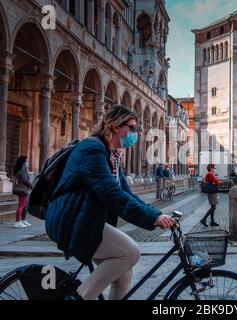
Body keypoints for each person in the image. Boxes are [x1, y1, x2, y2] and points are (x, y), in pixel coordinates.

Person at [45, 105, 175, 300]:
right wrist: (153, 218)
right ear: (115, 126)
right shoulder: (93, 149)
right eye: (131, 128)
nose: (134, 133)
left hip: (86, 218)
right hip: (71, 220)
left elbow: (127, 194)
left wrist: (155, 214)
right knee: (130, 252)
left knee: (123, 274)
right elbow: (113, 195)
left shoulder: (111, 155)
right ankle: (76, 298)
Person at [13, 156, 33, 228]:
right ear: (23, 162)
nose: (27, 163)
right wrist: (31, 186)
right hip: (22, 189)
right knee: (21, 205)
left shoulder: (23, 169)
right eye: (26, 161)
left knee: (24, 205)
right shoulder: (21, 170)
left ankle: (23, 220)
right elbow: (25, 180)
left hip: (24, 189)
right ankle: (17, 221)